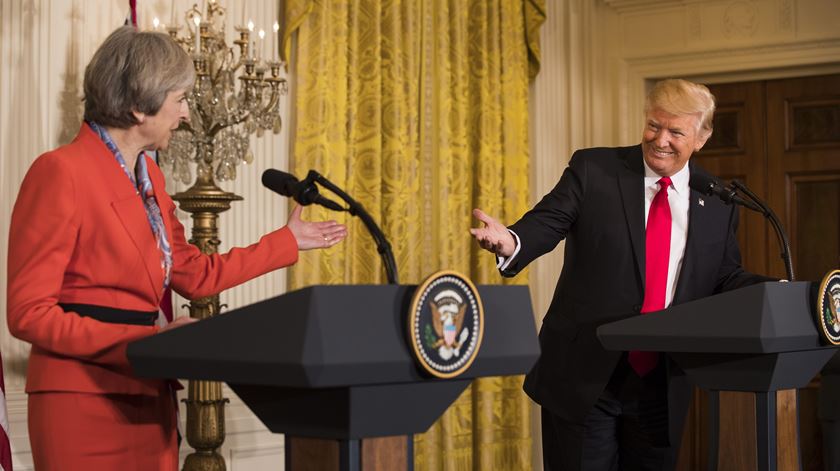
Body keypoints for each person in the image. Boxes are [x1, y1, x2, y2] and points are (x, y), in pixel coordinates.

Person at [6, 26, 346, 470]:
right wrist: (140, 343)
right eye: (179, 99)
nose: (186, 114)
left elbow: (193, 274)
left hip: (149, 398)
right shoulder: (59, 173)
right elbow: (28, 313)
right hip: (80, 402)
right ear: (137, 105)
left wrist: (285, 242)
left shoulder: (153, 179)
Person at [470, 79, 774, 470]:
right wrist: (511, 241)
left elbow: (724, 277)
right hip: (584, 375)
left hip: (661, 383)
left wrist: (781, 291)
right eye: (653, 125)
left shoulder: (716, 200)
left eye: (676, 131)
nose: (660, 139)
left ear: (701, 137)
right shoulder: (595, 169)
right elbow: (547, 223)